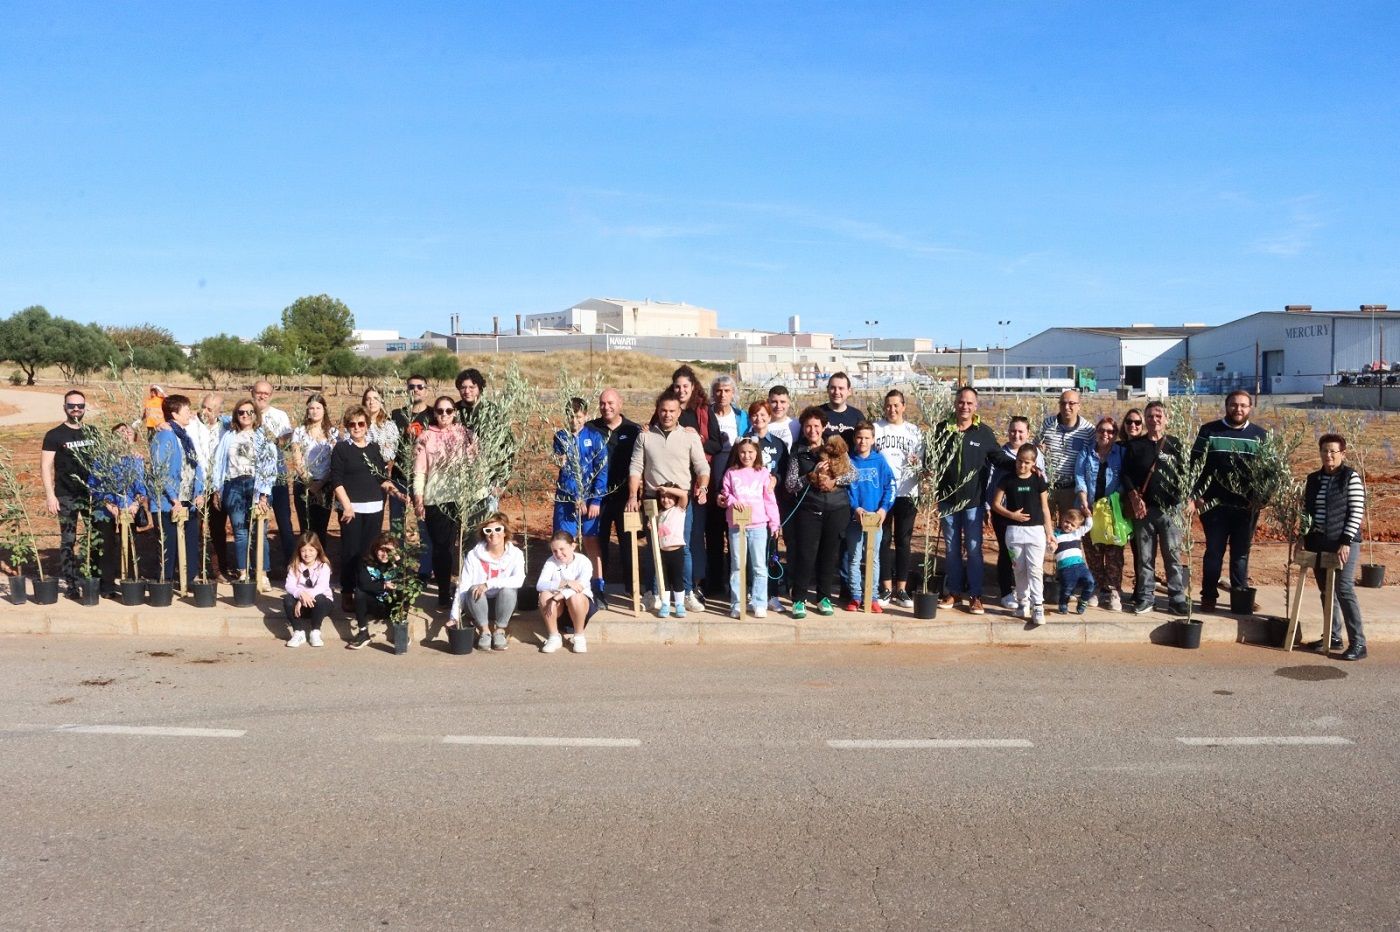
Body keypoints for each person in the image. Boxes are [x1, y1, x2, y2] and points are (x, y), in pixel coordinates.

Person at [931, 387, 1011, 615]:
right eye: (961, 402)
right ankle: (954, 591)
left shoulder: (983, 433)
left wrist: (1021, 463)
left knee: (974, 550)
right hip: (947, 502)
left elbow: (998, 457)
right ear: (955, 404)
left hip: (973, 503)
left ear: (975, 406)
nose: (964, 407)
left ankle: (976, 595)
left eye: (969, 403)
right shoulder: (942, 429)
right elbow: (931, 458)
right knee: (952, 549)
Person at [628, 391, 709, 612]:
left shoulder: (690, 436)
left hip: (680, 501)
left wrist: (703, 487)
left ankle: (687, 593)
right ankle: (653, 593)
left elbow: (702, 466)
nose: (667, 414)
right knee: (654, 547)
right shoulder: (645, 436)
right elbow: (636, 467)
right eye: (663, 410)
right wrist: (633, 496)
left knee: (683, 548)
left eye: (672, 411)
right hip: (653, 500)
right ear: (657, 410)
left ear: (679, 411)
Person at [1191, 390, 1267, 611]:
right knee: (1214, 552)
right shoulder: (1210, 431)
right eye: (1234, 405)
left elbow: (1270, 473)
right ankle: (1209, 596)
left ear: (1250, 408)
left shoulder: (1260, 435)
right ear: (1226, 406)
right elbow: (1195, 466)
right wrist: (1196, 497)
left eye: (1243, 405)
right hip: (1214, 508)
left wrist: (1261, 500)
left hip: (1246, 508)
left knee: (1241, 554)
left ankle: (1240, 595)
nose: (1238, 409)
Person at [330, 405, 403, 611]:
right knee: (350, 551)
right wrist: (347, 506)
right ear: (347, 426)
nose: (357, 427)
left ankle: (365, 590)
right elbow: (337, 480)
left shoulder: (373, 449)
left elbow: (381, 478)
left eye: (361, 423)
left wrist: (396, 493)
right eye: (352, 424)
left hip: (374, 508)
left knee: (369, 552)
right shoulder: (342, 449)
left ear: (366, 425)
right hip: (351, 509)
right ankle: (347, 591)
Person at [1120, 401, 1189, 616]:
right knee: (1145, 558)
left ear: (1166, 419)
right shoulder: (1135, 446)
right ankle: (1146, 597)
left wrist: (1186, 500)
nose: (1154, 420)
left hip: (1170, 511)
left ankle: (1177, 598)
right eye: (1150, 416)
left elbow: (1185, 474)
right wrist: (1133, 497)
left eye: (1159, 416)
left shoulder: (1175, 445)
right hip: (1144, 511)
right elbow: (1126, 474)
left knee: (1173, 556)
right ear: (1146, 420)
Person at [1302, 434, 1367, 660]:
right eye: (1324, 451)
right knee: (1326, 591)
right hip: (1318, 541)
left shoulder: (1350, 477)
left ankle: (1359, 643)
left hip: (1343, 543)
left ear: (1342, 454)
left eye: (1333, 451)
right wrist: (1303, 538)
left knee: (1344, 589)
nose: (1328, 455)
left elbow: (1356, 511)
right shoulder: (1313, 479)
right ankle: (1333, 635)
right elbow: (1306, 511)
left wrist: (1346, 541)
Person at [785, 410, 853, 619]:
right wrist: (810, 475)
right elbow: (790, 484)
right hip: (809, 510)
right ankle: (799, 599)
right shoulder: (798, 452)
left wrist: (835, 481)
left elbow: (852, 474)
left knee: (829, 554)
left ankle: (824, 598)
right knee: (806, 555)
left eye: (816, 426)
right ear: (803, 428)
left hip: (836, 508)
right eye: (807, 426)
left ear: (823, 427)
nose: (812, 430)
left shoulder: (836, 446)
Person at [413, 396, 475, 608]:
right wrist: (418, 498)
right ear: (434, 413)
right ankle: (443, 591)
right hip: (436, 499)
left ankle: (467, 590)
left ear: (454, 413)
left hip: (463, 498)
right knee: (442, 547)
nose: (444, 415)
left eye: (449, 411)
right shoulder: (425, 437)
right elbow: (420, 471)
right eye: (440, 411)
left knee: (466, 546)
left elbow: (474, 465)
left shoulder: (465, 434)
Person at [669, 366, 722, 605]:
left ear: (693, 387)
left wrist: (697, 439)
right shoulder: (667, 409)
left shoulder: (703, 411)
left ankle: (695, 584)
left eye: (686, 386)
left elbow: (717, 444)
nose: (681, 391)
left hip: (697, 485)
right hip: (671, 486)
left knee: (694, 536)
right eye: (677, 386)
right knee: (672, 536)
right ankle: (674, 584)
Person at [209, 400, 278, 580]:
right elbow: (218, 463)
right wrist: (218, 488)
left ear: (256, 414)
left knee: (259, 531)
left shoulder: (262, 437)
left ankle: (262, 573)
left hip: (256, 485)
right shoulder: (229, 437)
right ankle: (243, 572)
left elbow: (270, 467)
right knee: (240, 531)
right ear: (236, 415)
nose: (245, 415)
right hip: (233, 485)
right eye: (241, 412)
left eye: (249, 412)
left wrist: (264, 495)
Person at [587, 388, 641, 603]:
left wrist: (635, 495)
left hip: (625, 498)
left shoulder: (633, 430)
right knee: (599, 545)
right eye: (602, 403)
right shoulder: (591, 428)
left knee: (628, 543)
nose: (606, 407)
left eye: (610, 403)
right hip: (597, 499)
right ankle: (598, 589)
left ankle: (632, 589)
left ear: (620, 404)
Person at [41, 390, 97, 595]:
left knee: (96, 536)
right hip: (65, 494)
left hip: (90, 495)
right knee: (68, 539)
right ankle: (71, 582)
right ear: (64, 407)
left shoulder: (93, 432)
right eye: (71, 405)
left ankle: (93, 578)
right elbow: (46, 466)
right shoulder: (54, 435)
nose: (76, 409)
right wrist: (50, 495)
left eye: (80, 406)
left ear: (85, 407)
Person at [991, 443, 1053, 626]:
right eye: (1019, 461)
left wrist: (1049, 532)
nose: (1022, 465)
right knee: (1019, 568)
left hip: (1036, 532)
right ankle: (1022, 603)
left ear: (1034, 463)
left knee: (1035, 569)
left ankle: (1038, 605)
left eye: (1027, 462)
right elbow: (996, 504)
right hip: (1014, 532)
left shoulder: (1038, 480)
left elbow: (1045, 507)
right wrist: (1012, 515)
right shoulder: (1007, 479)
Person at [718, 438, 781, 619]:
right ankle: (737, 603)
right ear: (738, 453)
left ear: (757, 453)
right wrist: (732, 501)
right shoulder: (731, 473)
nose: (746, 455)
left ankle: (759, 602)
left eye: (750, 452)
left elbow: (770, 500)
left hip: (759, 526)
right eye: (743, 452)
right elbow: (726, 493)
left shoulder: (763, 473)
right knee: (737, 566)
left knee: (759, 566)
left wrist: (774, 523)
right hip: (737, 526)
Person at [149, 394, 206, 588]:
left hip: (188, 500)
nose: (191, 413)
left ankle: (187, 580)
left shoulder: (185, 436)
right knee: (168, 546)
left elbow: (195, 466)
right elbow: (160, 469)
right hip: (169, 503)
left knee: (191, 543)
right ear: (174, 413)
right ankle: (164, 584)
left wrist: (199, 491)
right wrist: (174, 499)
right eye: (187, 410)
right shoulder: (164, 435)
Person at [448, 512, 526, 652]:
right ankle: (484, 631)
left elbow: (519, 580)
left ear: (505, 533)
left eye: (498, 529)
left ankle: (500, 631)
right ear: (483, 534)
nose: (493, 534)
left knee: (508, 589)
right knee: (473, 589)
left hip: (502, 605)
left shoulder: (516, 554)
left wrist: (488, 584)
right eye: (488, 530)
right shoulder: (473, 555)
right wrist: (454, 616)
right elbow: (463, 585)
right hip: (477, 605)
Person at [988, 416, 1044, 609]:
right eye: (1013, 430)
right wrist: (990, 508)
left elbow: (1041, 484)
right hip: (1003, 512)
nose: (1016, 435)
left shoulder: (1035, 455)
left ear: (1028, 433)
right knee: (1007, 552)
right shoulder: (999, 454)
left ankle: (1027, 595)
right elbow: (991, 482)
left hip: (1029, 516)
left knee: (1029, 557)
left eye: (1021, 431)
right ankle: (1006, 591)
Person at [874, 390, 923, 608]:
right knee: (883, 540)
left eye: (896, 405)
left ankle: (902, 589)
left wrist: (917, 464)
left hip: (907, 492)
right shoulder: (876, 429)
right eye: (888, 405)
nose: (892, 410)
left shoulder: (914, 432)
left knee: (903, 541)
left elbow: (923, 466)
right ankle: (885, 588)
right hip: (882, 494)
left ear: (903, 406)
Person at [87, 424, 147, 598]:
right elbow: (93, 486)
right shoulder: (102, 459)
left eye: (128, 433)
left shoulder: (137, 460)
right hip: (106, 510)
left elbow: (141, 488)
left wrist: (135, 504)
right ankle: (107, 586)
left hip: (129, 510)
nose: (124, 436)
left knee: (130, 546)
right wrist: (108, 504)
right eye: (120, 433)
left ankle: (130, 581)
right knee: (106, 547)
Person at [1075, 416, 1128, 611]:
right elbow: (1080, 477)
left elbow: (1125, 478)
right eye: (1101, 430)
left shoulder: (1121, 453)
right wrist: (1082, 500)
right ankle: (1096, 588)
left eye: (1110, 431)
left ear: (1115, 435)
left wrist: (1113, 499)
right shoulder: (1086, 453)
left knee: (1114, 552)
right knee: (1093, 550)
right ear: (1096, 432)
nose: (1105, 434)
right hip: (1089, 509)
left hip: (1112, 509)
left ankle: (1113, 591)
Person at [843, 422, 895, 613]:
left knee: (873, 558)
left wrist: (883, 510)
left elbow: (890, 486)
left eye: (866, 438)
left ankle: (872, 596)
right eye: (859, 437)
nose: (862, 441)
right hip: (855, 519)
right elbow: (846, 490)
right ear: (854, 439)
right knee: (855, 558)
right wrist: (855, 508)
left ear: (873, 440)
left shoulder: (880, 461)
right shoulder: (849, 461)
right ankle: (856, 596)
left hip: (875, 519)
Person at [705, 374, 749, 600]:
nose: (722, 394)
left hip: (736, 485)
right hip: (710, 480)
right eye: (719, 390)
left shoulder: (742, 417)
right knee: (713, 535)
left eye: (727, 390)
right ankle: (714, 583)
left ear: (733, 393)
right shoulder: (705, 414)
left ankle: (738, 585)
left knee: (735, 536)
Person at [747, 400, 789, 613]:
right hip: (750, 508)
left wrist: (776, 479)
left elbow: (785, 470)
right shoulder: (744, 442)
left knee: (771, 551)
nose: (759, 419)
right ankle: (750, 594)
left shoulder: (779, 444)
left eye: (763, 415)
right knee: (749, 553)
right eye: (755, 415)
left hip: (771, 505)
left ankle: (772, 595)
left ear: (769, 417)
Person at [391, 374, 434, 577]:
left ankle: (424, 572)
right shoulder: (397, 415)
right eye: (411, 387)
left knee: (424, 526)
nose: (415, 390)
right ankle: (397, 569)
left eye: (419, 386)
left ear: (426, 389)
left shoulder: (434, 414)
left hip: (425, 480)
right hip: (399, 477)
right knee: (396, 526)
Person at [552, 397, 608, 552]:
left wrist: (596, 500)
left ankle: (596, 577)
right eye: (571, 416)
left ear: (586, 416)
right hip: (567, 498)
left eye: (578, 417)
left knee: (591, 538)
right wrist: (575, 496)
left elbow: (601, 470)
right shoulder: (560, 437)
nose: (574, 421)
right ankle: (568, 574)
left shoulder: (595, 437)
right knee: (566, 539)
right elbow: (566, 472)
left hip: (590, 498)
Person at [250, 381, 295, 572]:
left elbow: (287, 440)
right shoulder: (245, 412)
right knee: (259, 522)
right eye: (259, 392)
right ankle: (262, 569)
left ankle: (292, 565)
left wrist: (275, 440)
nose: (262, 396)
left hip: (278, 476)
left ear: (271, 394)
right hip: (255, 478)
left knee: (284, 522)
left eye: (266, 393)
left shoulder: (279, 415)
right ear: (252, 393)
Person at [1036, 390, 1097, 516]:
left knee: (1069, 528)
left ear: (1079, 406)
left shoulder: (1088, 430)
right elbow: (1034, 448)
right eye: (1063, 403)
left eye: (1071, 403)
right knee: (1043, 527)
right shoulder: (1047, 424)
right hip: (1047, 487)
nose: (1066, 407)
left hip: (1071, 489)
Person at [187, 394, 228, 579]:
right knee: (195, 528)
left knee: (218, 528)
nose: (205, 411)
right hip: (196, 484)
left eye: (210, 409)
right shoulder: (191, 424)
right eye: (203, 406)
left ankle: (219, 570)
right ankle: (195, 570)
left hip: (217, 485)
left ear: (220, 411)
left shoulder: (226, 427)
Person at [288, 394, 338, 540]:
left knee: (321, 528)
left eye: (318, 408)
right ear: (307, 410)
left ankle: (321, 562)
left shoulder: (333, 433)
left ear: (324, 410)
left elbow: (335, 461)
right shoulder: (299, 432)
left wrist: (320, 484)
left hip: (325, 485)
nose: (315, 411)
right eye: (311, 408)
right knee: (306, 528)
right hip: (303, 484)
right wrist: (310, 484)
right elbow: (297, 460)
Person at [537, 530, 595, 654]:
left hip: (579, 607)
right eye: (554, 551)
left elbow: (580, 586)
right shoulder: (551, 561)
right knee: (544, 595)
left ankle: (579, 636)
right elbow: (540, 584)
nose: (558, 554)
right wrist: (565, 583)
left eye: (562, 549)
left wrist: (558, 596)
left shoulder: (584, 562)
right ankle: (554, 636)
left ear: (573, 546)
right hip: (559, 608)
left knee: (576, 597)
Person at [350, 533, 403, 650]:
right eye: (381, 550)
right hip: (373, 604)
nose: (385, 554)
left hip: (392, 605)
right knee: (359, 592)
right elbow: (364, 584)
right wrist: (384, 586)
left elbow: (408, 579)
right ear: (375, 549)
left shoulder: (398, 563)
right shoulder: (365, 562)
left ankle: (400, 631)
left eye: (388, 551)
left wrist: (398, 560)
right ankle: (363, 633)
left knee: (404, 592)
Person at [282, 532, 333, 648]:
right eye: (304, 550)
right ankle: (298, 632)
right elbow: (289, 585)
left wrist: (303, 599)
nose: (307, 554)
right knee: (287, 599)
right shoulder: (295, 566)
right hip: (302, 607)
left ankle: (315, 631)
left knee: (320, 598)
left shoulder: (323, 566)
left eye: (311, 550)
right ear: (299, 551)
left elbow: (322, 586)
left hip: (321, 605)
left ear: (318, 550)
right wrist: (300, 594)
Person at [654, 484, 690, 618]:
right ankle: (665, 604)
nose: (666, 500)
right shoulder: (659, 514)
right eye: (663, 497)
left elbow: (684, 494)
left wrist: (666, 489)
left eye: (669, 497)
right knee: (664, 580)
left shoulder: (679, 510)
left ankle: (679, 604)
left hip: (677, 551)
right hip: (662, 551)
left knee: (677, 578)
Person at [1052, 508, 1095, 615]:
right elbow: (1049, 548)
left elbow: (1088, 526)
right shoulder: (1055, 535)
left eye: (1072, 524)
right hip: (1065, 568)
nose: (1068, 526)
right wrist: (1051, 546)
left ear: (1077, 527)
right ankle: (1063, 603)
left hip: (1080, 566)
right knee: (1067, 587)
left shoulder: (1077, 533)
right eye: (1067, 521)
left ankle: (1083, 600)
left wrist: (1089, 516)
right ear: (1062, 519)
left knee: (1090, 582)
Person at [820, 372, 864, 447]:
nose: (836, 392)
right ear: (827, 389)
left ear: (849, 391)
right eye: (833, 388)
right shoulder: (817, 413)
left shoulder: (857, 416)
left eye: (841, 388)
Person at [766, 385, 800, 450]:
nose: (778, 406)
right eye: (774, 402)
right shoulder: (760, 426)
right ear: (768, 402)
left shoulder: (797, 425)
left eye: (782, 402)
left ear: (788, 403)